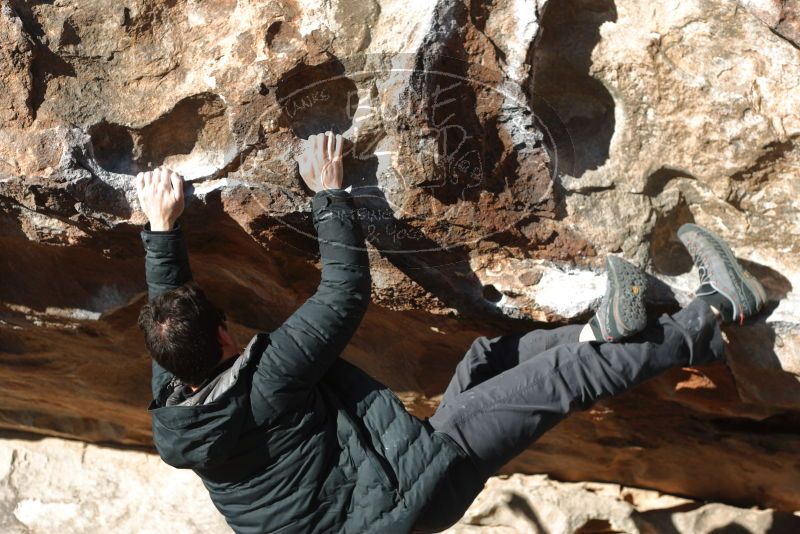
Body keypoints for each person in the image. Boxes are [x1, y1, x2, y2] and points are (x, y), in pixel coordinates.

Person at [135, 131, 767, 534]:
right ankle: (712, 318)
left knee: (487, 359)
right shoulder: (267, 380)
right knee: (555, 384)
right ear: (223, 338)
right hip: (411, 493)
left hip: (375, 502)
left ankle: (606, 327)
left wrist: (162, 230)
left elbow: (171, 317)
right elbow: (343, 293)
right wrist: (330, 192)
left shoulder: (179, 409)